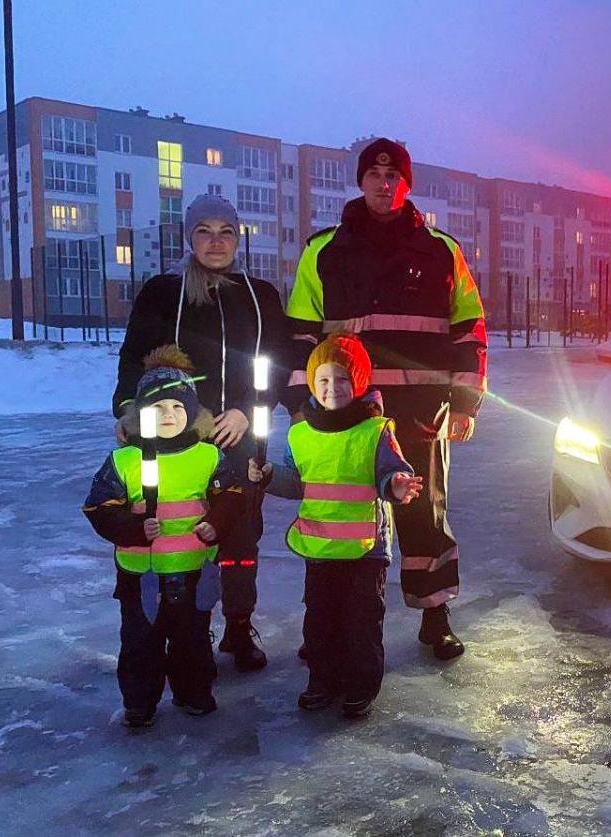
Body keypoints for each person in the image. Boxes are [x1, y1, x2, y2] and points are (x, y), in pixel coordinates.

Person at [285, 139, 486, 660]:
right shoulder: (324, 250)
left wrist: (464, 401)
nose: (383, 182)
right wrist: (299, 404)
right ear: (360, 181)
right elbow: (301, 334)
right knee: (339, 521)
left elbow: (469, 329)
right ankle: (330, 624)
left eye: (393, 174)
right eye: (374, 174)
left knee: (424, 514)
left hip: (421, 413)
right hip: (346, 417)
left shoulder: (441, 250)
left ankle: (434, 615)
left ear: (406, 183)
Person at [113, 194, 289, 672]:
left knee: (238, 535)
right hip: (172, 438)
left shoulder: (261, 296)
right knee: (178, 531)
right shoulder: (162, 291)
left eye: (226, 231)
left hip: (236, 439)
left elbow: (276, 363)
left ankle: (237, 625)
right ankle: (184, 628)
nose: (216, 241)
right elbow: (133, 357)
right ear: (189, 237)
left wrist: (248, 413)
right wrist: (129, 410)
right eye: (205, 231)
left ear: (238, 238)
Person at [251, 335, 421, 717]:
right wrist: (267, 477)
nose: (332, 389)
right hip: (320, 546)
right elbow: (296, 482)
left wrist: (396, 485)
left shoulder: (375, 431)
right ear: (313, 383)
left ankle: (361, 684)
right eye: (324, 380)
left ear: (358, 383)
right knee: (321, 617)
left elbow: (391, 471)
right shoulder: (300, 434)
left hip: (366, 547)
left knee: (361, 619)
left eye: (342, 380)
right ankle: (322, 679)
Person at [84, 346, 243, 728]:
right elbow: (99, 508)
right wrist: (134, 529)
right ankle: (140, 702)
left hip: (192, 573)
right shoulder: (124, 460)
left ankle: (194, 693)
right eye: (158, 409)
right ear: (141, 414)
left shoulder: (208, 456)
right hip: (142, 578)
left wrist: (216, 525)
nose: (168, 416)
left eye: (177, 407)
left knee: (192, 642)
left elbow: (232, 496)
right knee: (140, 644)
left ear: (191, 411)